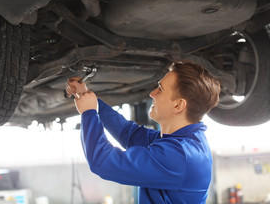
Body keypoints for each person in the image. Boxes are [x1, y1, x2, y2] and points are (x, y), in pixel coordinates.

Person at [66, 61, 221, 204]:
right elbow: (129, 134)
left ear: (178, 105)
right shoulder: (183, 141)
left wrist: (88, 113)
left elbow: (103, 162)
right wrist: (89, 99)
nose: (152, 93)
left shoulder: (178, 155)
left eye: (160, 89)